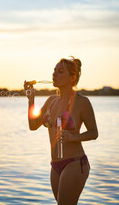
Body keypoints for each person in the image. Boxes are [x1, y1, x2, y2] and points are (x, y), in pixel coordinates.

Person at [24, 57, 98, 205]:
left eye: (60, 71)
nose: (54, 74)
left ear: (72, 77)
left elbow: (93, 133)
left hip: (75, 163)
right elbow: (33, 125)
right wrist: (31, 100)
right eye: (54, 70)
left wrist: (73, 136)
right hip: (55, 165)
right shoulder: (51, 100)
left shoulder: (82, 102)